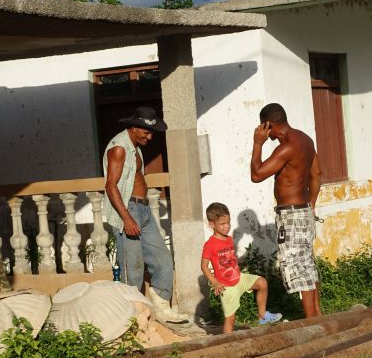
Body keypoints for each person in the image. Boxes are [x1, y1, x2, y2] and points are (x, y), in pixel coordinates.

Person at [102, 106, 188, 324]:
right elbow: (111, 186)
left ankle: (161, 309)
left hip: (143, 209)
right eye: (146, 132)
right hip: (128, 210)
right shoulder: (119, 148)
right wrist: (127, 218)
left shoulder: (135, 148)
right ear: (133, 127)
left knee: (162, 259)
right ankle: (132, 319)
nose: (150, 137)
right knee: (133, 269)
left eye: (151, 133)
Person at [251, 103, 323, 318]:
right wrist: (311, 204)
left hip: (290, 214)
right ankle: (317, 316)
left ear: (268, 125)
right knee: (307, 264)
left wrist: (257, 144)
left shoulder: (286, 147)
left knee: (297, 267)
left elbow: (256, 175)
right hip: (303, 211)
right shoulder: (305, 140)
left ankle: (312, 323)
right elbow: (317, 174)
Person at [201, 202, 282, 333]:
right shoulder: (210, 245)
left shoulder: (228, 239)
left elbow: (231, 259)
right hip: (226, 286)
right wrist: (215, 282)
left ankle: (262, 315)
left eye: (228, 222)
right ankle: (227, 344)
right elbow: (204, 266)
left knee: (262, 283)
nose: (227, 226)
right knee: (230, 319)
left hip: (239, 278)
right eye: (222, 224)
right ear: (212, 224)